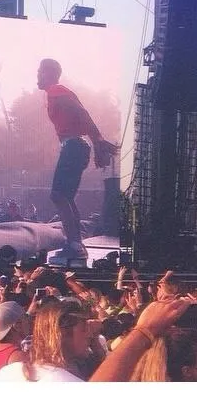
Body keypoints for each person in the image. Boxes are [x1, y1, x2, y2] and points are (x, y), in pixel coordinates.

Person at [36, 58, 117, 261]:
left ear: (50, 73)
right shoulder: (55, 93)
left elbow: (82, 113)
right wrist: (95, 141)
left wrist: (98, 139)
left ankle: (74, 243)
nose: (37, 76)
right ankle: (76, 243)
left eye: (40, 72)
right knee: (66, 196)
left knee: (58, 195)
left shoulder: (56, 90)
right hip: (76, 146)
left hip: (73, 146)